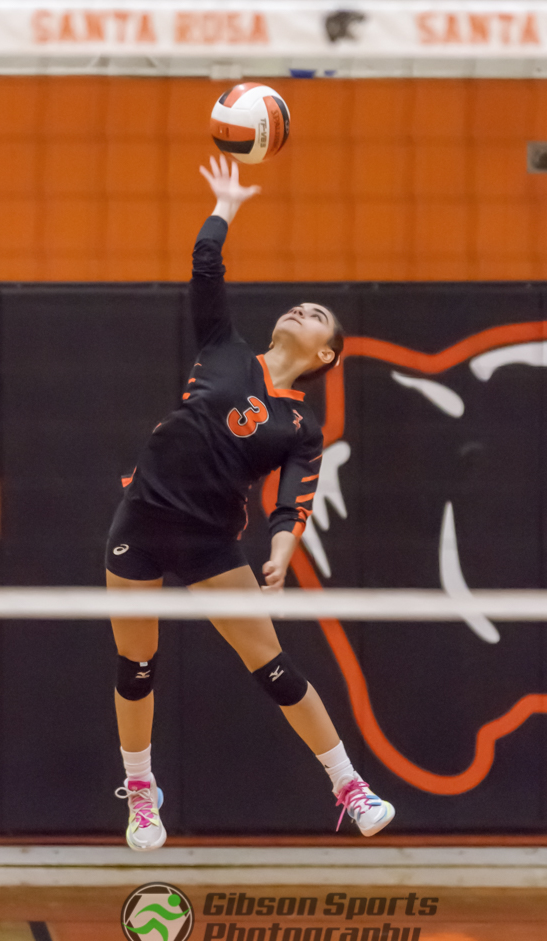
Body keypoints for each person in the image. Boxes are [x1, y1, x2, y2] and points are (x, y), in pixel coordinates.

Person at [105, 155, 395, 850]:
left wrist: (282, 548)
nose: (303, 310)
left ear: (325, 355)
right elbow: (206, 263)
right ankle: (141, 791)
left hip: (209, 541)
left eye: (318, 316)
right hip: (142, 522)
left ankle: (348, 786)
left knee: (271, 665)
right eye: (300, 306)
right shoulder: (223, 346)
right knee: (135, 663)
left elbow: (295, 500)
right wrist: (226, 204)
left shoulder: (300, 426)